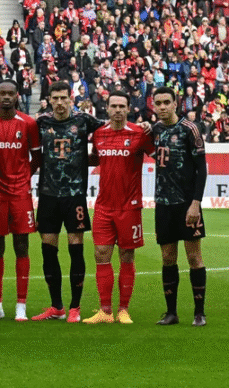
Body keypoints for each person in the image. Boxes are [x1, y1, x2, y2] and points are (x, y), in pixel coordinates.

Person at [33, 81, 103, 323]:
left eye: (64, 98)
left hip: (75, 197)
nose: (60, 103)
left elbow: (111, 130)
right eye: (56, 98)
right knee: (48, 250)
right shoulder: (41, 122)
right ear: (50, 100)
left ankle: (75, 307)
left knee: (76, 248)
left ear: (71, 98)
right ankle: (56, 306)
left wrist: (95, 155)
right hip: (48, 195)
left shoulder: (84, 120)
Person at [82, 91, 152, 324]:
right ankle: (105, 311)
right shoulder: (99, 134)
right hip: (103, 205)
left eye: (122, 106)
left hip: (129, 207)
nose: (118, 110)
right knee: (101, 255)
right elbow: (94, 158)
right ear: (107, 108)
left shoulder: (140, 133)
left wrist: (152, 126)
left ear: (129, 108)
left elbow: (159, 154)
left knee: (126, 255)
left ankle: (123, 309)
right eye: (114, 106)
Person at [0, 79, 40, 321]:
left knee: (21, 246)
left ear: (17, 96)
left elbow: (37, 157)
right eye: (1, 93)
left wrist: (25, 176)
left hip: (20, 194)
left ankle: (21, 305)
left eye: (10, 93)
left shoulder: (28, 123)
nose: (6, 97)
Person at [151, 87, 208, 327]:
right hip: (163, 204)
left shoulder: (189, 129)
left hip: (187, 204)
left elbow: (202, 169)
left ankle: (199, 312)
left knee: (194, 257)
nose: (162, 107)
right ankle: (171, 312)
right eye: (158, 103)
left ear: (175, 103)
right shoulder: (154, 130)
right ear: (153, 106)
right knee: (167, 258)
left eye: (166, 102)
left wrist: (196, 203)